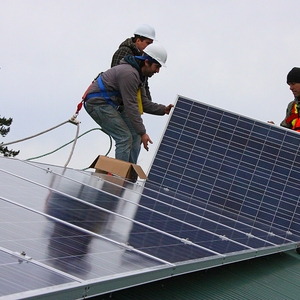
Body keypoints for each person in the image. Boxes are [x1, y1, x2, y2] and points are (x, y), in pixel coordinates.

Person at [84, 43, 174, 167]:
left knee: (135, 135)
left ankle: (129, 174)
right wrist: (143, 132)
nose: (157, 71)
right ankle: (119, 177)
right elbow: (131, 106)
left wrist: (163, 109)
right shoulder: (129, 74)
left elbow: (143, 103)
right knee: (124, 138)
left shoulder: (139, 76)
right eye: (157, 66)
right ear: (147, 62)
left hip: (109, 104)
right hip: (98, 104)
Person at [111, 24, 155, 100]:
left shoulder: (142, 58)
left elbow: (144, 83)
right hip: (114, 100)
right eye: (148, 43)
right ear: (138, 41)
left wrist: (148, 103)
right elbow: (117, 78)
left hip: (127, 101)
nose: (150, 47)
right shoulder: (124, 51)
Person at [277, 67, 300, 131]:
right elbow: (285, 131)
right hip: (294, 140)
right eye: (289, 84)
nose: (290, 88)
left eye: (293, 84)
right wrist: (274, 130)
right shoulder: (292, 106)